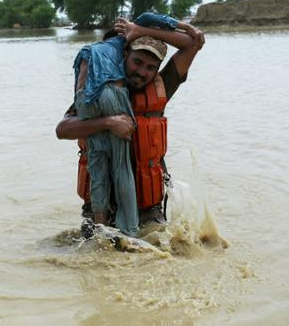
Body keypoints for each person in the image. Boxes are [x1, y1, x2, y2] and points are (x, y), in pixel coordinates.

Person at [56, 12, 205, 235]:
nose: (142, 72)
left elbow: (193, 44)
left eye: (150, 67)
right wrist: (108, 122)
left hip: (148, 210)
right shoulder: (100, 89)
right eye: (137, 62)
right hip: (100, 209)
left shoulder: (163, 85)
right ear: (125, 55)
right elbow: (63, 129)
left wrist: (142, 30)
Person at [72, 29, 139, 236]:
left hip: (85, 98)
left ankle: (101, 227)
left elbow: (78, 88)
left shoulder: (87, 52)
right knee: (122, 168)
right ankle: (130, 231)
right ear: (125, 52)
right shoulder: (120, 48)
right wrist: (188, 28)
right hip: (109, 95)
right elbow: (61, 130)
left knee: (97, 165)